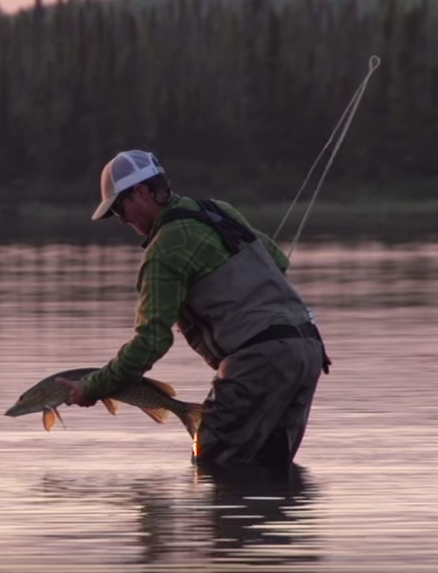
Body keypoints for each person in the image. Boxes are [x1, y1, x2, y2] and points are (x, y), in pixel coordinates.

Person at [56, 149, 330, 469]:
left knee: (211, 465)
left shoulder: (164, 250)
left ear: (143, 192)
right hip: (308, 350)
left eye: (119, 208)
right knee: (271, 470)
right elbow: (278, 262)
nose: (123, 220)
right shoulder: (217, 210)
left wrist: (93, 387)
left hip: (257, 360)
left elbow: (150, 343)